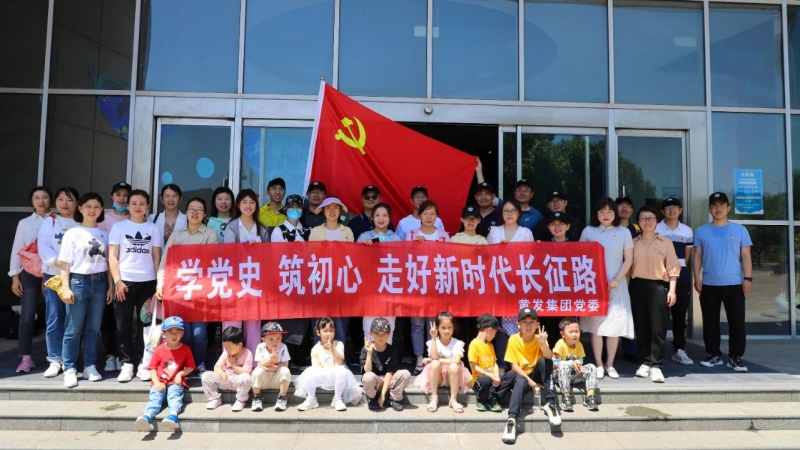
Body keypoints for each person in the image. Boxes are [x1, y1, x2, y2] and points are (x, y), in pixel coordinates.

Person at [155, 198, 218, 373]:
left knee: (199, 333)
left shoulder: (210, 234)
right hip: (179, 291)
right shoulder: (177, 235)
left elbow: (213, 261)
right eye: (191, 209)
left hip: (201, 291)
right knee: (183, 331)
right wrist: (160, 284)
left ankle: (199, 363)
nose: (195, 212)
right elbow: (165, 262)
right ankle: (186, 364)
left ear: (204, 214)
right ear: (186, 213)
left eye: (199, 209)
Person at [57, 192, 113, 388]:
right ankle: (70, 368)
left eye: (96, 207)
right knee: (73, 329)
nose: (92, 210)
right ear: (80, 208)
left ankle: (90, 365)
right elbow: (64, 264)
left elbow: (109, 264)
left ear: (101, 210)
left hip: (100, 283)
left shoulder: (105, 234)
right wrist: (65, 287)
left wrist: (111, 287)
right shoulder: (72, 233)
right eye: (88, 206)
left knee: (94, 329)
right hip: (78, 281)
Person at [693, 192, 753, 372]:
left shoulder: (740, 230)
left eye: (721, 205)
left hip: (734, 283)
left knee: (737, 322)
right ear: (709, 209)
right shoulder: (701, 231)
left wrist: (747, 278)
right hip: (709, 284)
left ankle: (735, 357)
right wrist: (697, 278)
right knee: (710, 322)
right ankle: (714, 355)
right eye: (714, 205)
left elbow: (746, 255)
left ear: (728, 208)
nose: (718, 208)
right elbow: (697, 256)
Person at [109, 189, 163, 383]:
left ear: (147, 206)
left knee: (145, 325)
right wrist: (117, 281)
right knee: (122, 324)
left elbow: (156, 257)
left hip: (147, 282)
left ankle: (143, 362)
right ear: (128, 205)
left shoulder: (153, 228)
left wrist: (158, 283)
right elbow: (112, 256)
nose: (137, 207)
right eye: (134, 203)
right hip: (124, 282)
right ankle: (127, 363)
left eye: (142, 203)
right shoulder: (119, 227)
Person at [579, 198, 634, 380]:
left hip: (616, 284)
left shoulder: (624, 231)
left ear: (615, 213)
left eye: (609, 211)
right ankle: (598, 364)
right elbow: (579, 256)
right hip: (593, 285)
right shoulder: (588, 231)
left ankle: (610, 364)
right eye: (602, 212)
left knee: (614, 326)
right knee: (596, 327)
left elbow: (629, 259)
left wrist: (617, 278)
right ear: (596, 214)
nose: (605, 215)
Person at [629, 206, 681, 383]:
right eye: (643, 218)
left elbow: (673, 268)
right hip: (637, 286)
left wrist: (672, 290)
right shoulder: (632, 243)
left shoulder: (666, 243)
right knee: (641, 327)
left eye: (651, 218)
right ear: (638, 222)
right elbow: (628, 269)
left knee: (658, 327)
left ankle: (657, 365)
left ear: (657, 221)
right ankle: (645, 362)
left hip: (659, 286)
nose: (647, 221)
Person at [37, 187, 79, 378]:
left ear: (77, 203)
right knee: (55, 317)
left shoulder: (81, 222)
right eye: (61, 199)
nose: (65, 203)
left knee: (74, 320)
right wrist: (61, 263)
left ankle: (71, 359)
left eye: (69, 200)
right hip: (53, 275)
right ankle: (55, 359)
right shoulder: (50, 221)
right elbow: (43, 247)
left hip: (77, 276)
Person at [486, 198, 534, 365]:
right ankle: (502, 361)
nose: (509, 214)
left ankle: (519, 361)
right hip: (498, 283)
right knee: (499, 322)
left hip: (519, 282)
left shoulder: (526, 232)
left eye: (513, 211)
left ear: (519, 213)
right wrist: (498, 249)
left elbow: (531, 256)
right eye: (506, 211)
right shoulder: (494, 231)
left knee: (519, 320)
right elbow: (486, 255)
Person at [502, 308, 560, 445]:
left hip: (536, 373)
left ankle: (551, 403)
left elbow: (549, 356)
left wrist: (542, 343)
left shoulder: (539, 338)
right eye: (524, 322)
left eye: (532, 322)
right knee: (521, 380)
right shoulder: (513, 339)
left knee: (545, 361)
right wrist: (532, 383)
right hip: (522, 375)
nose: (528, 325)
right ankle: (511, 421)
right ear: (518, 324)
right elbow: (513, 366)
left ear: (537, 324)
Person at [10, 186, 52, 373]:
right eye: (37, 197)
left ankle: (56, 358)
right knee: (27, 316)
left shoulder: (56, 220)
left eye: (45, 197)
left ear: (50, 200)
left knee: (55, 316)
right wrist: (15, 277)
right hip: (29, 274)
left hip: (53, 273)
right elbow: (17, 249)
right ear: (31, 201)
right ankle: (26, 357)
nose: (41, 201)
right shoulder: (25, 223)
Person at [223, 189, 270, 357]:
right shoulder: (232, 227)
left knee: (253, 323)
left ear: (256, 205)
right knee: (232, 322)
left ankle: (254, 361)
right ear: (238, 205)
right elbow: (228, 253)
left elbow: (269, 256)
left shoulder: (262, 229)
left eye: (252, 202)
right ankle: (228, 361)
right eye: (244, 202)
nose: (248, 206)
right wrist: (245, 248)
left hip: (255, 281)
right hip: (235, 281)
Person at [406, 200, 448, 374]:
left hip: (436, 285)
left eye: (432, 214)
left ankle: (433, 357)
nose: (429, 217)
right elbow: (404, 257)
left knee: (433, 324)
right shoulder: (412, 234)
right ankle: (419, 357)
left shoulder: (443, 235)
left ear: (437, 216)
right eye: (425, 213)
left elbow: (449, 258)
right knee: (417, 325)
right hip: (417, 285)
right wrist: (414, 245)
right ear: (420, 216)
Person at [271, 193, 311, 366]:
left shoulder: (308, 231)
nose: (295, 210)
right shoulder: (278, 231)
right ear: (286, 210)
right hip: (286, 278)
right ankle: (288, 357)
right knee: (287, 318)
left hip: (305, 279)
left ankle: (301, 357)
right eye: (292, 207)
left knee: (303, 317)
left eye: (298, 207)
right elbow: (276, 256)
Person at [134, 316, 195, 432]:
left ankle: (172, 416)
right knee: (155, 396)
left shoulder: (185, 349)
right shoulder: (159, 350)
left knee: (175, 395)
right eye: (170, 332)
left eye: (178, 331)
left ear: (182, 333)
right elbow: (152, 368)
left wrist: (180, 374)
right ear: (163, 334)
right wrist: (156, 382)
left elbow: (191, 367)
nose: (174, 335)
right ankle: (146, 416)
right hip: (160, 380)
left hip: (175, 381)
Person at [309, 197, 354, 344]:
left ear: (340, 211)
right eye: (328, 208)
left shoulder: (347, 231)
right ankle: (319, 354)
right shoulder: (316, 231)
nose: (332, 211)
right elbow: (311, 255)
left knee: (340, 321)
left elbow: (351, 256)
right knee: (320, 319)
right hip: (321, 281)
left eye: (335, 207)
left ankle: (339, 354)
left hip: (341, 280)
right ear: (323, 211)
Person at [656, 197, 695, 366]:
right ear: (662, 212)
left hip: (681, 276)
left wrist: (677, 269)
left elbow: (687, 254)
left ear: (680, 211)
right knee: (659, 315)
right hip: (660, 276)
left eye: (675, 207)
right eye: (668, 207)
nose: (671, 210)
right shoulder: (656, 228)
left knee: (680, 315)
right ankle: (657, 350)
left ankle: (679, 349)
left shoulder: (687, 231)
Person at [294, 317, 362, 411]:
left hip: (336, 374)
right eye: (325, 331)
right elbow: (316, 367)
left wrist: (332, 349)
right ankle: (311, 399)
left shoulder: (339, 344)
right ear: (318, 332)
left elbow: (340, 361)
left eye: (331, 330)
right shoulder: (315, 348)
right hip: (323, 373)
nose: (328, 334)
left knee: (343, 371)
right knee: (309, 372)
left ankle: (337, 399)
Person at [100, 182, 132, 373]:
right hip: (107, 275)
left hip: (128, 276)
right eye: (118, 194)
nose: (122, 199)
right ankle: (110, 355)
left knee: (123, 320)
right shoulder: (103, 219)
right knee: (108, 318)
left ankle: (123, 355)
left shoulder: (136, 218)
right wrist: (110, 283)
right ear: (112, 197)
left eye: (126, 195)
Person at [358, 203, 400, 344]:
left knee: (389, 326)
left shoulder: (396, 238)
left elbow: (402, 261)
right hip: (370, 288)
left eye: (384, 215)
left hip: (389, 287)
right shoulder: (364, 236)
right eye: (377, 215)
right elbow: (355, 259)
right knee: (369, 326)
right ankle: (369, 356)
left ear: (390, 218)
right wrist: (362, 247)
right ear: (372, 217)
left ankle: (387, 356)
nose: (381, 219)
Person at [414, 311, 471, 413]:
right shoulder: (434, 342)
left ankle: (453, 399)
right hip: (438, 377)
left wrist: (437, 360)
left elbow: (456, 360)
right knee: (434, 364)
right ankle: (434, 398)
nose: (446, 331)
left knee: (454, 366)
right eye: (443, 328)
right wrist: (433, 338)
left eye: (449, 327)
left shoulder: (457, 343)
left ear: (453, 328)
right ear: (437, 328)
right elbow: (434, 357)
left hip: (451, 377)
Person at [536, 212, 571, 350]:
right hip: (548, 294)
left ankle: (568, 356)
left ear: (568, 226)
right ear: (548, 227)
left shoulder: (576, 246)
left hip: (568, 294)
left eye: (561, 224)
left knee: (568, 326)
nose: (557, 227)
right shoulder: (541, 246)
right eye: (553, 224)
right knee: (549, 326)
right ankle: (550, 357)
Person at [361, 317, 412, 411]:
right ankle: (372, 398)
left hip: (388, 381)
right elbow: (367, 371)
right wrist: (369, 353)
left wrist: (383, 395)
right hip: (375, 382)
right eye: (377, 333)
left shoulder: (391, 349)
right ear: (371, 333)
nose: (381, 337)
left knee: (405, 374)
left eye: (384, 334)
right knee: (368, 377)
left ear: (389, 334)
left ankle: (393, 398)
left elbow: (390, 372)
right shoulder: (366, 349)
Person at [468, 314, 516, 413]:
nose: (495, 336)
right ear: (489, 330)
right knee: (485, 380)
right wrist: (490, 376)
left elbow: (494, 363)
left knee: (511, 375)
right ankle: (483, 400)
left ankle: (492, 398)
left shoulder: (490, 345)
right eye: (495, 332)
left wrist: (496, 376)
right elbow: (474, 366)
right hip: (479, 379)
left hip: (492, 379)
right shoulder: (474, 344)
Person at [202, 326, 253, 411]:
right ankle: (214, 398)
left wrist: (233, 364)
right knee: (205, 376)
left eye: (229, 347)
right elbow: (217, 367)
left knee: (246, 378)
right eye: (225, 347)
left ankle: (240, 400)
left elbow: (246, 372)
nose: (227, 349)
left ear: (239, 345)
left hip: (237, 381)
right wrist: (221, 373)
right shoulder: (226, 353)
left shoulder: (247, 353)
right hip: (225, 379)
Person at [552, 317, 599, 411]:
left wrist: (578, 363)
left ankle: (590, 397)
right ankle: (566, 397)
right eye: (571, 332)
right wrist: (571, 363)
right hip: (560, 375)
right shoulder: (560, 344)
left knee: (591, 367)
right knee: (563, 367)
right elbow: (556, 362)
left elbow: (581, 359)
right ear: (562, 334)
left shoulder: (579, 344)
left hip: (574, 375)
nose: (574, 334)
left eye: (577, 331)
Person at [250, 322, 291, 412]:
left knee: (285, 371)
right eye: (271, 339)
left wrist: (270, 368)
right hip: (264, 380)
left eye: (278, 338)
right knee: (257, 371)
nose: (275, 342)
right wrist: (270, 360)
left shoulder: (283, 347)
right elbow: (259, 364)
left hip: (277, 380)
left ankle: (282, 397)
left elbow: (285, 364)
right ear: (263, 340)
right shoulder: (260, 347)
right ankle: (257, 397)